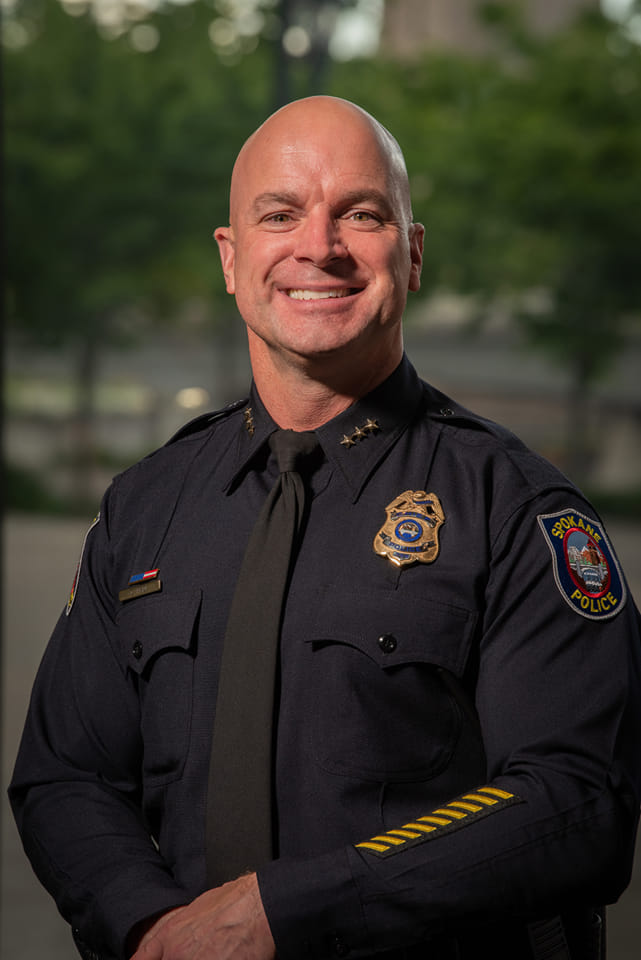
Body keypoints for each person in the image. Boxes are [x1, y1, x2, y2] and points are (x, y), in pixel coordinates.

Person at [9, 96, 641, 960]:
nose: (320, 246)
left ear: (411, 255)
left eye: (362, 213)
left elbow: (576, 800)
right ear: (231, 261)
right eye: (280, 214)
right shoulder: (145, 508)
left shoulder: (518, 508)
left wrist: (283, 914)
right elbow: (66, 774)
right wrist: (152, 927)